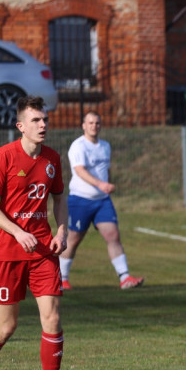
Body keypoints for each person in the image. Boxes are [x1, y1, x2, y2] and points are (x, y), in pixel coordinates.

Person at [0, 96, 76, 370]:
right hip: (6, 251)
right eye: (35, 120)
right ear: (20, 126)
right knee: (6, 326)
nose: (43, 125)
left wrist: (61, 230)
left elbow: (59, 198)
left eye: (44, 119)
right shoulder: (2, 157)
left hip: (43, 249)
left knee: (53, 319)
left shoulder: (52, 159)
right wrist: (17, 231)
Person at [59, 111, 144, 290]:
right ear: (84, 125)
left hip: (102, 200)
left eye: (97, 123)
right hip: (80, 200)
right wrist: (100, 184)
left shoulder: (105, 146)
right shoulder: (78, 146)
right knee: (74, 238)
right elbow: (80, 170)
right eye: (90, 123)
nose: (94, 126)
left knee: (113, 235)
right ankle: (62, 278)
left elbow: (106, 169)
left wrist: (107, 184)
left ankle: (125, 278)